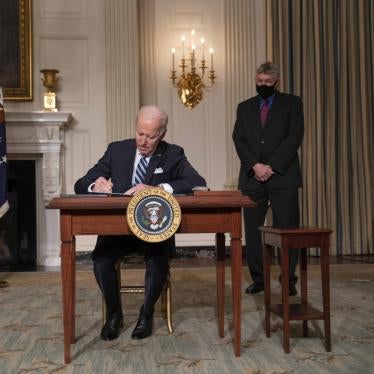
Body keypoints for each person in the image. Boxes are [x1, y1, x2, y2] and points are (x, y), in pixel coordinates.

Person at [74, 106, 206, 341]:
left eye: (151, 136)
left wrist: (156, 189)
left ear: (162, 134)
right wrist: (96, 186)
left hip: (153, 230)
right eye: (140, 133)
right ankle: (114, 315)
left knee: (158, 261)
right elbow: (81, 183)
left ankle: (146, 315)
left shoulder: (173, 154)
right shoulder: (117, 150)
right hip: (118, 231)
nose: (143, 141)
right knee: (101, 261)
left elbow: (197, 181)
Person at [232, 62, 304, 296]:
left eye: (267, 82)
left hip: (283, 177)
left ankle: (288, 279)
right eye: (259, 82)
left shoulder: (292, 103)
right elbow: (239, 139)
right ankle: (259, 279)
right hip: (252, 178)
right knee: (253, 233)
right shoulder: (244, 107)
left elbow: (295, 136)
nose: (262, 86)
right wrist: (255, 165)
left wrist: (272, 167)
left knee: (288, 231)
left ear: (277, 82)